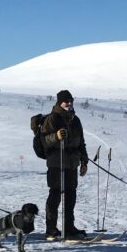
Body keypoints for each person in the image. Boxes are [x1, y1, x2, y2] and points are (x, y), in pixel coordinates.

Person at [40, 90, 89, 239]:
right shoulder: (52, 119)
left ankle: (69, 228)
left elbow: (81, 142)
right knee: (55, 196)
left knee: (70, 197)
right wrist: (55, 136)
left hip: (72, 164)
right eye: (65, 101)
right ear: (59, 102)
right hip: (56, 163)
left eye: (70, 100)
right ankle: (51, 229)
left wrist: (84, 161)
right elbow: (43, 141)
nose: (69, 103)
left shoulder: (76, 120)